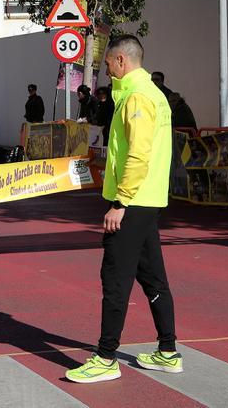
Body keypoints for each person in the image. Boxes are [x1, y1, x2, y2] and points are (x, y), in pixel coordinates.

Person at [65, 36, 180, 384]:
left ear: (119, 61)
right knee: (152, 276)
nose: (106, 72)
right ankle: (167, 351)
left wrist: (120, 202)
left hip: (134, 201)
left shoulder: (137, 97)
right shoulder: (150, 93)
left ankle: (105, 356)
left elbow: (138, 154)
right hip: (148, 200)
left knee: (114, 278)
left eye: (108, 65)